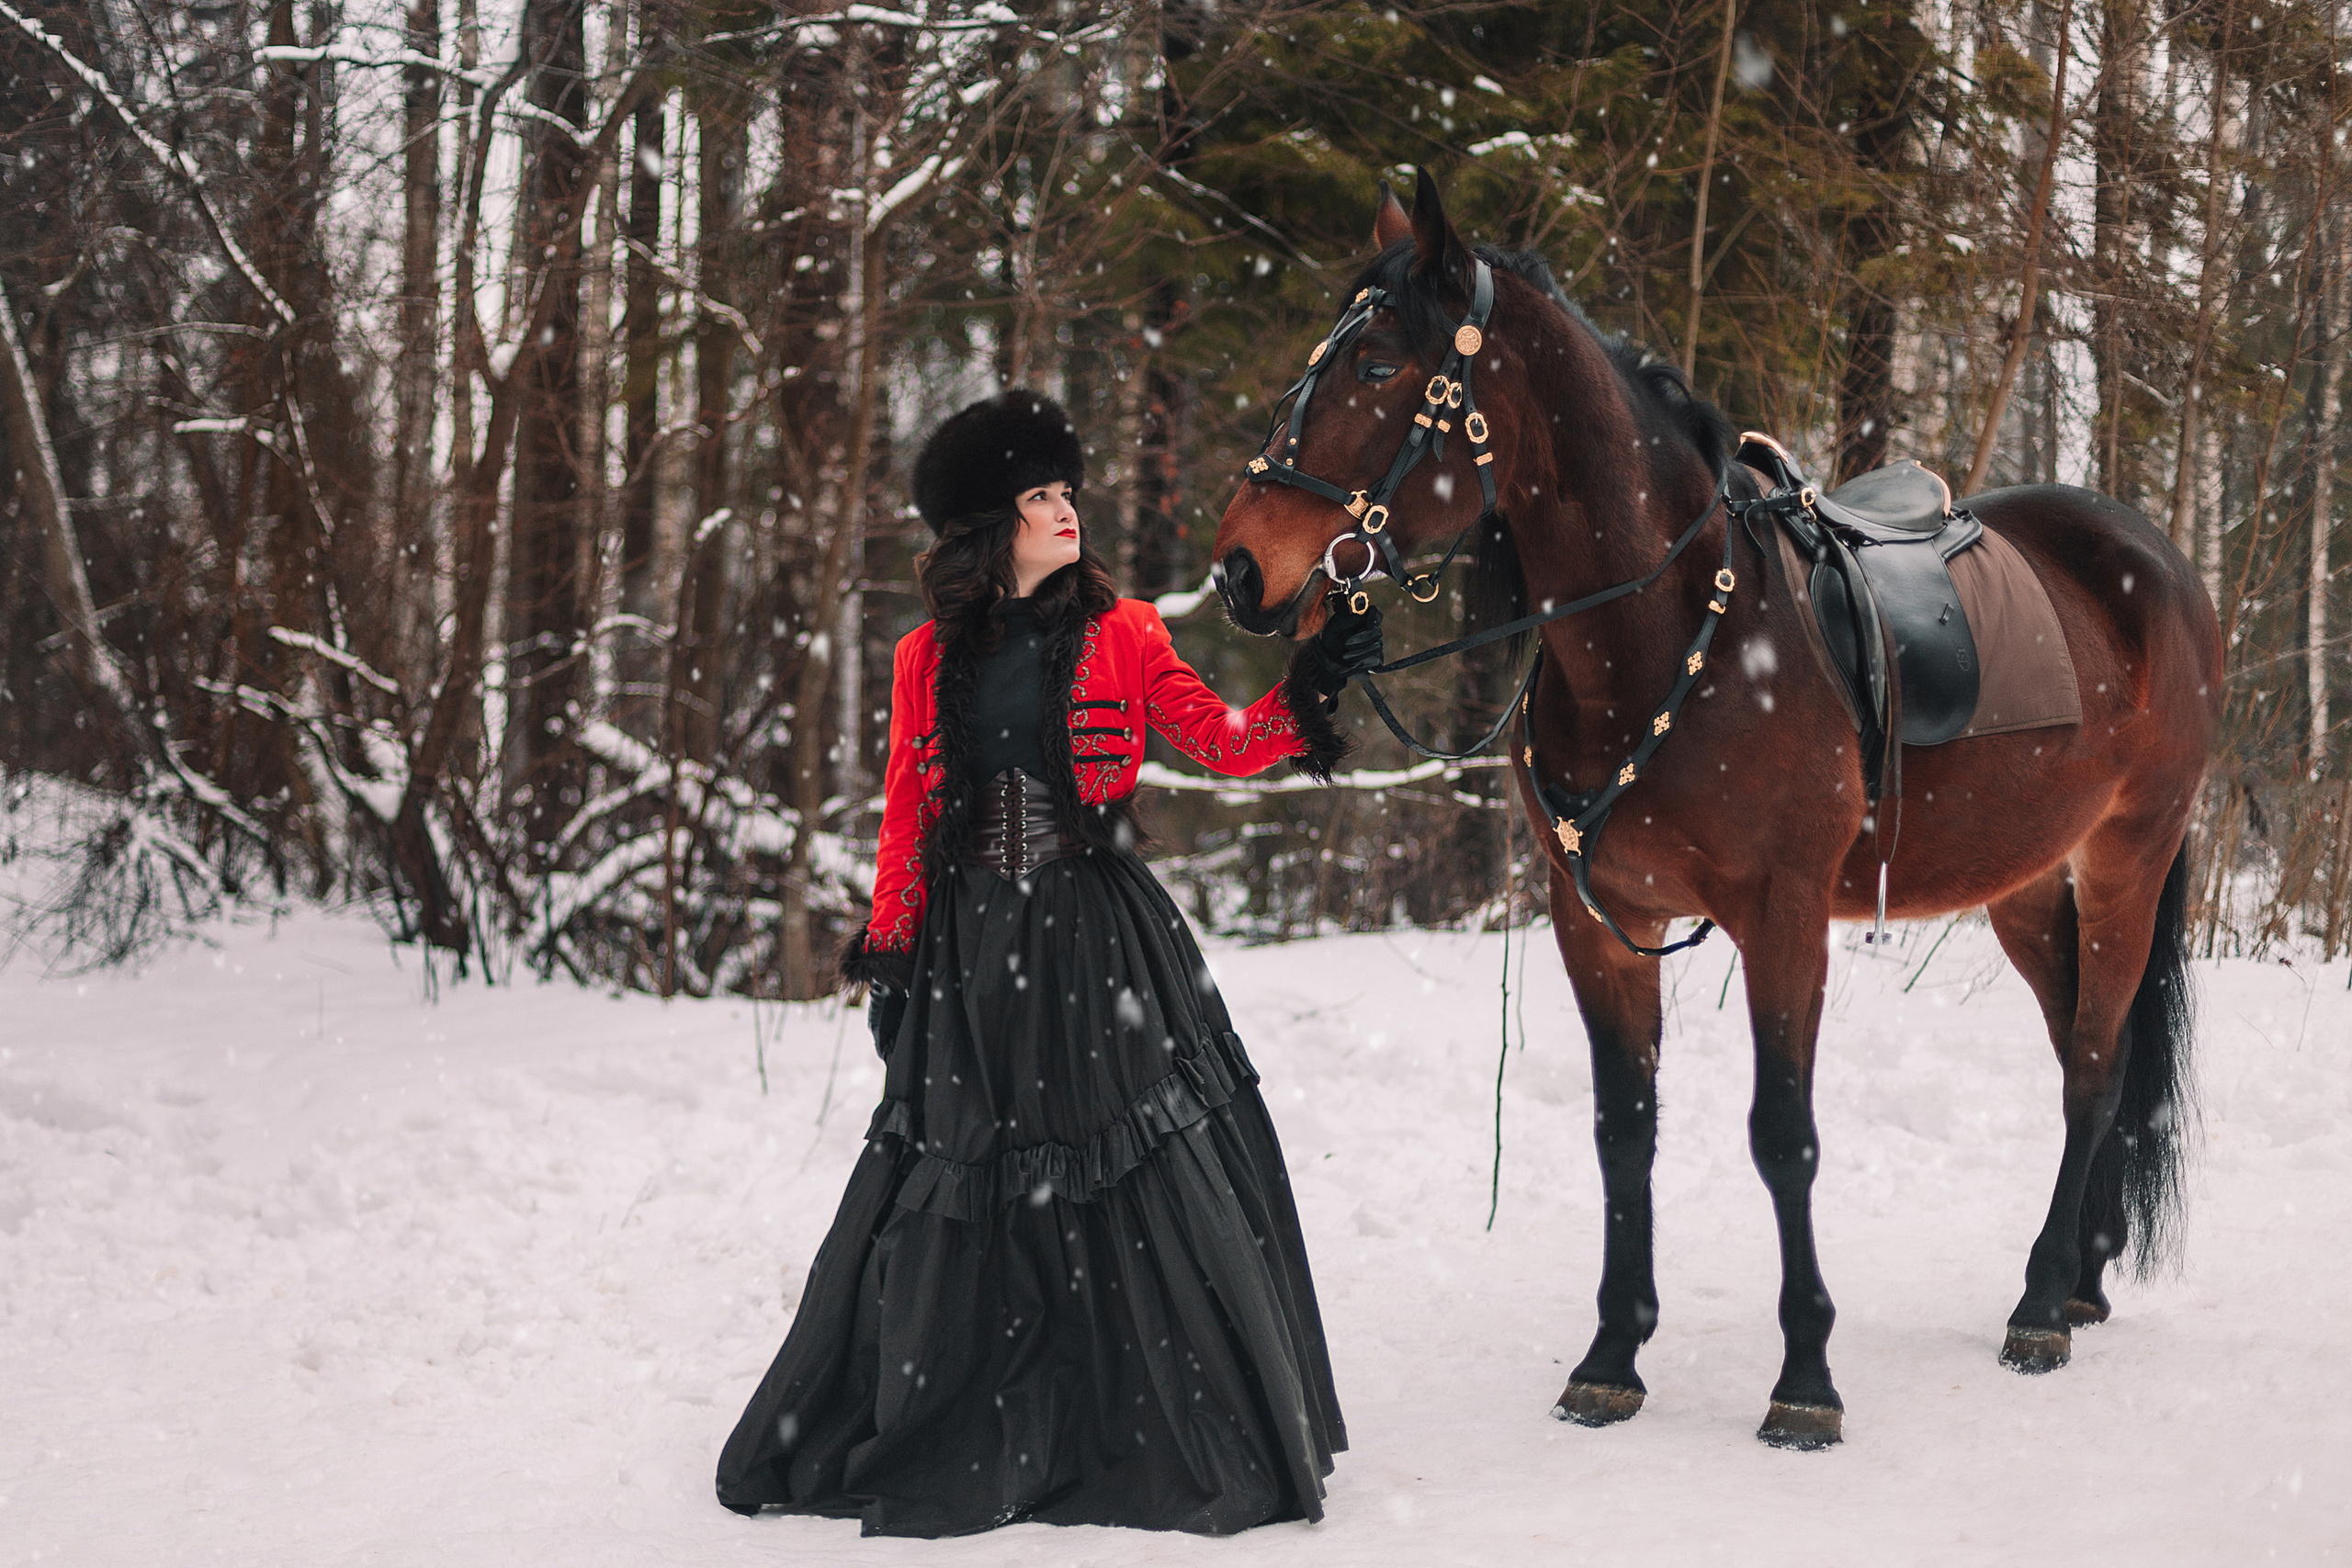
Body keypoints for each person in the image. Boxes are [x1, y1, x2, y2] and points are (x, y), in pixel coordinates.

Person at [715, 389, 1382, 1538]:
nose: (1065, 511)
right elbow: (907, 809)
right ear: (990, 522)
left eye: (1067, 492)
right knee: (972, 1168)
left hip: (1092, 932)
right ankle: (981, 1410)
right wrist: (891, 944)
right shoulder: (925, 656)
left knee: (1127, 1167)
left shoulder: (1124, 631)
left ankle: (1134, 1420)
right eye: (1040, 496)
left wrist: (1311, 685)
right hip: (972, 947)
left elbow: (1221, 744)